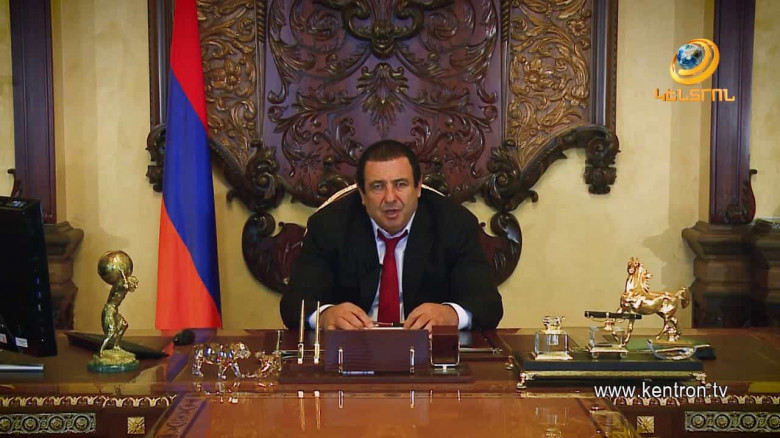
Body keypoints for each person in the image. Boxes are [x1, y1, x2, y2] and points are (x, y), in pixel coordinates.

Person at [280, 140, 503, 330]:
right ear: (362, 193)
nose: (390, 198)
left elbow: (488, 304)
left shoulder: (454, 224)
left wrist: (450, 315)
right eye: (377, 186)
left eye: (400, 184)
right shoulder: (328, 226)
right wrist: (325, 316)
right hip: (351, 351)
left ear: (418, 187)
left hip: (429, 352)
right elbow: (294, 304)